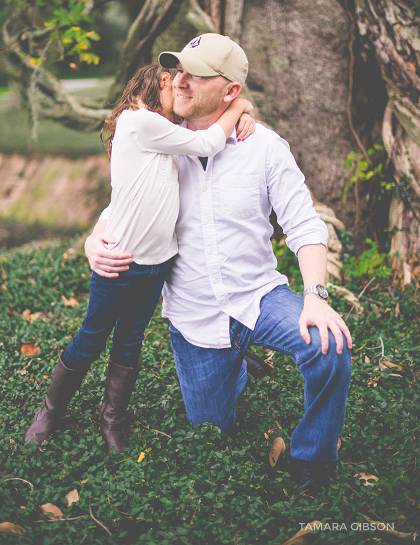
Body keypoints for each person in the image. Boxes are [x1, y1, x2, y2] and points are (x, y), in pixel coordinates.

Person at [85, 33, 352, 496]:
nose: (180, 81)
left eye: (196, 75)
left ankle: (314, 459)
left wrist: (316, 297)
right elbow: (123, 202)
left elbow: (305, 226)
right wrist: (94, 239)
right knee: (210, 426)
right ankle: (236, 364)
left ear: (230, 91)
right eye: (178, 71)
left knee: (330, 346)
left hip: (258, 297)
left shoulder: (266, 147)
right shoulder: (161, 139)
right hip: (194, 315)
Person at [24, 63, 254, 452]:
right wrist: (240, 106)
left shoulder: (165, 130)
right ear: (162, 82)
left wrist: (242, 108)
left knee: (129, 341)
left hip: (158, 263)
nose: (182, 94)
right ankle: (50, 411)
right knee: (91, 339)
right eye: (177, 85)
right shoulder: (139, 121)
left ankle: (111, 416)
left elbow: (129, 195)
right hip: (122, 261)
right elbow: (207, 143)